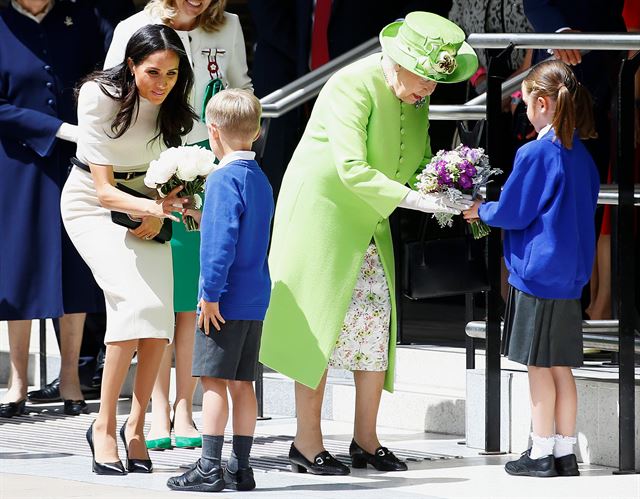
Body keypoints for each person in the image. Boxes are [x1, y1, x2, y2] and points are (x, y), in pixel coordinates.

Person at [259, 12, 476, 475]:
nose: (430, 92)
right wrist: (417, 199)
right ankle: (306, 443)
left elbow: (416, 160)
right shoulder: (351, 83)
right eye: (427, 80)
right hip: (321, 217)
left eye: (439, 82)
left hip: (372, 216)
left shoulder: (415, 96)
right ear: (400, 61)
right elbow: (350, 168)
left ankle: (366, 440)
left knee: (374, 326)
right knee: (316, 328)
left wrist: (447, 185)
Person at [104, 0, 252, 451]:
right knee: (157, 294)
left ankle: (185, 408)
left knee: (190, 296)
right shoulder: (136, 27)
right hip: (150, 170)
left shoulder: (229, 26)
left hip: (206, 168)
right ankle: (154, 410)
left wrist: (231, 165)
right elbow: (115, 99)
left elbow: (241, 89)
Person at [60, 23, 196, 475]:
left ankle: (135, 427)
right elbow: (102, 191)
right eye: (153, 72)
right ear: (132, 64)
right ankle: (102, 425)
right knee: (133, 304)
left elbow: (177, 169)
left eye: (172, 75)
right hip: (93, 204)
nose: (162, 84)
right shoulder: (98, 95)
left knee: (158, 313)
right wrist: (153, 208)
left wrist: (171, 204)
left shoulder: (175, 104)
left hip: (149, 205)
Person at [463, 60, 599, 477]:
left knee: (537, 367)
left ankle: (540, 452)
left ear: (542, 103)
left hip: (537, 274)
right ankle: (564, 451)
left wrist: (479, 209)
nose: (524, 112)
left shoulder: (535, 152)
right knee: (561, 366)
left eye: (525, 105)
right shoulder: (583, 156)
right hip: (570, 275)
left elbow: (515, 212)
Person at [0, 0, 108, 418]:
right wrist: (55, 128)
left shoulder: (80, 16)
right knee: (21, 266)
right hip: (17, 163)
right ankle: (18, 380)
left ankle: (68, 377)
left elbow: (100, 78)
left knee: (74, 265)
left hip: (74, 161)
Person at [167, 89, 273, 492]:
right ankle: (241, 468)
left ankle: (209, 467)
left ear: (212, 131)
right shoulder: (259, 178)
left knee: (213, 382)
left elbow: (220, 244)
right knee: (244, 383)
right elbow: (246, 230)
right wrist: (203, 212)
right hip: (254, 295)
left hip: (222, 298)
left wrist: (209, 294)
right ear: (257, 130)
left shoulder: (223, 178)